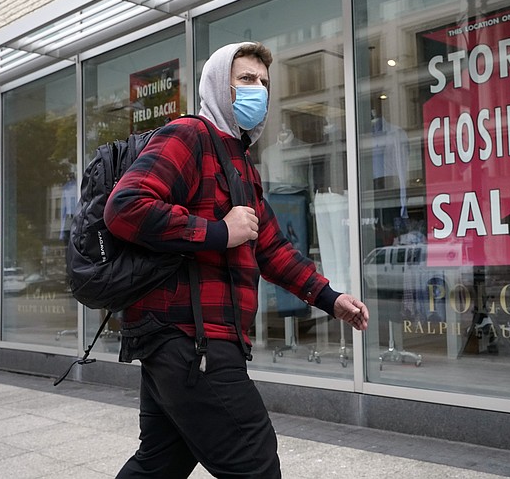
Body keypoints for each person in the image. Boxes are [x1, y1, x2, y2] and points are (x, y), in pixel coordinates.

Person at [104, 41, 369, 478]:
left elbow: (270, 247)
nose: (258, 90)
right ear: (218, 86)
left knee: (159, 463)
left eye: (264, 83)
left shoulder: (240, 162)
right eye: (246, 79)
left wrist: (329, 298)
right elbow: (125, 207)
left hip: (187, 337)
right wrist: (219, 232)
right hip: (191, 337)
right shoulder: (189, 136)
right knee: (255, 461)